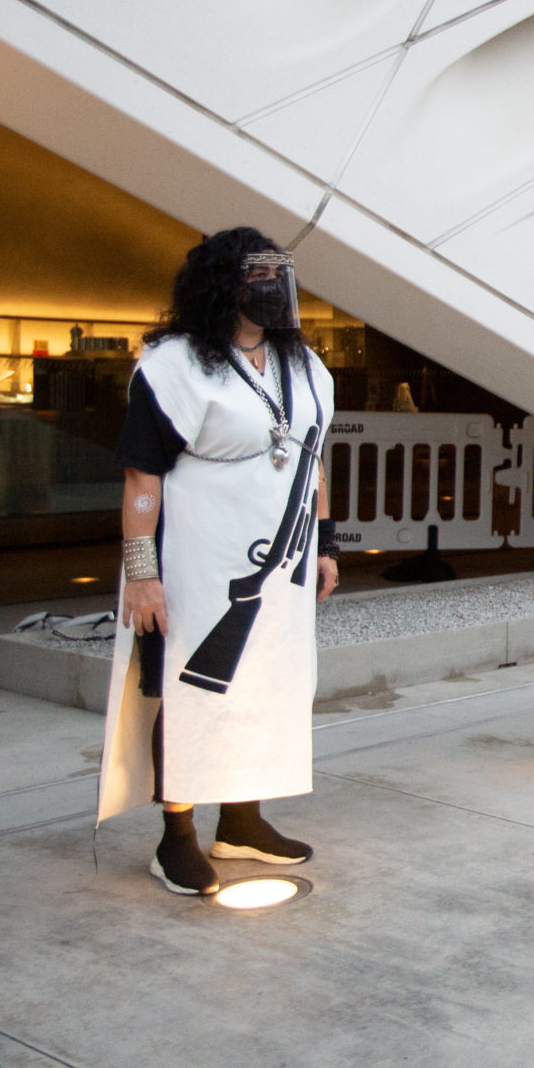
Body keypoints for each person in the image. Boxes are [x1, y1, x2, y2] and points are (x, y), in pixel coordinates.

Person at [100, 230, 337, 897]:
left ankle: (242, 819)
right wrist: (141, 571)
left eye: (280, 272)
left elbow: (315, 458)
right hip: (196, 560)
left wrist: (327, 543)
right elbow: (141, 474)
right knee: (192, 688)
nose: (274, 284)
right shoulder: (174, 364)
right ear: (224, 282)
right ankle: (176, 837)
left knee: (265, 682)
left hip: (282, 563)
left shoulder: (306, 365)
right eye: (259, 273)